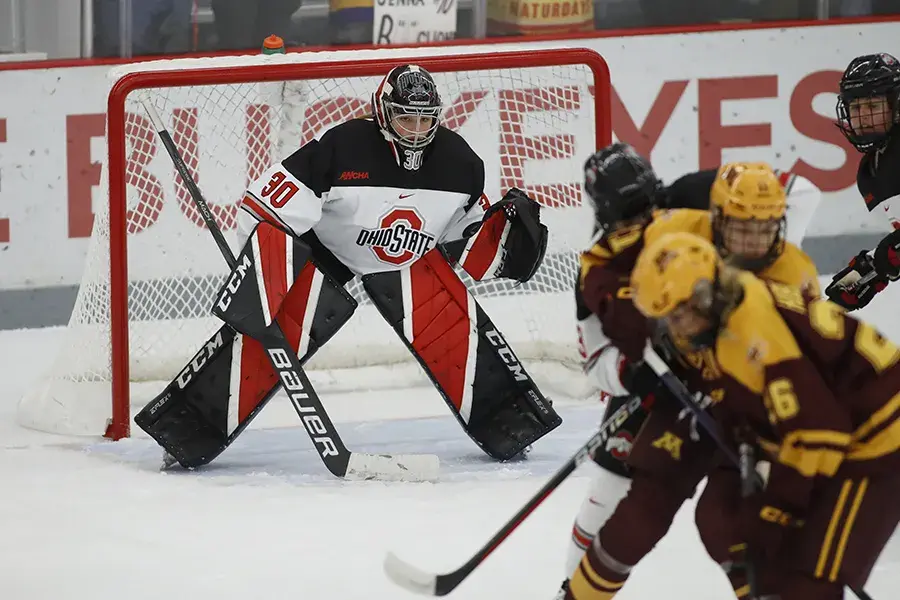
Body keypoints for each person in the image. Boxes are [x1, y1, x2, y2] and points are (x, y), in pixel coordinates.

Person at [137, 64, 560, 468]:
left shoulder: (461, 162)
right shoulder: (342, 145)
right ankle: (184, 431)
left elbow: (468, 237)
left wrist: (501, 243)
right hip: (330, 252)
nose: (416, 130)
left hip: (411, 260)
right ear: (382, 111)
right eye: (404, 118)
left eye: (424, 119)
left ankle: (512, 424)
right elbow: (267, 210)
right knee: (262, 336)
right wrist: (258, 272)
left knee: (459, 331)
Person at [559, 147, 821, 599]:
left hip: (744, 381)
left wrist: (755, 259)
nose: (641, 221)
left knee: (737, 513)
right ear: (602, 213)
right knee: (614, 498)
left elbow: (802, 192)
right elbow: (597, 362)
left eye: (646, 205)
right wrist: (629, 373)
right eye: (626, 214)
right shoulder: (600, 268)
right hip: (659, 386)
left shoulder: (695, 201)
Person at [625, 231, 900, 600]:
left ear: (707, 295)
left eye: (683, 312)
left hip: (878, 435)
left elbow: (819, 432)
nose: (679, 327)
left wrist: (777, 511)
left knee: (809, 578)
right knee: (735, 527)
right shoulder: (733, 306)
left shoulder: (754, 335)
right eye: (670, 318)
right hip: (844, 423)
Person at [826, 53, 900, 310]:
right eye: (856, 108)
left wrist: (883, 260)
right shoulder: (870, 172)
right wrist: (869, 270)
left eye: (872, 106)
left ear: (895, 106)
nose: (863, 118)